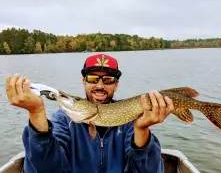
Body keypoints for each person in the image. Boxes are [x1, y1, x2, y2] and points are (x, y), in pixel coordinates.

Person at [5, 53, 174, 173]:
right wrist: (36, 113)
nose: (100, 86)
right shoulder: (64, 120)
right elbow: (45, 169)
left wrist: (142, 130)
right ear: (83, 81)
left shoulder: (131, 121)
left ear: (116, 85)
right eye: (93, 79)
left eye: (108, 80)